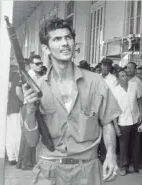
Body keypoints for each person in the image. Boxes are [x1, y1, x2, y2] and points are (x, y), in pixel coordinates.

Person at [22, 18, 121, 185]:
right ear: (46, 48)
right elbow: (31, 141)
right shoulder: (37, 88)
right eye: (57, 39)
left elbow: (107, 123)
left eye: (68, 37)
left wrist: (111, 155)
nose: (65, 43)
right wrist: (30, 109)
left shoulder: (95, 82)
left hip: (87, 171)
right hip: (49, 170)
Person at [112, 68, 142, 176]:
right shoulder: (115, 91)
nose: (125, 78)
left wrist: (140, 113)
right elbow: (114, 110)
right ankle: (124, 166)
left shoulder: (134, 86)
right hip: (123, 122)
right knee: (123, 146)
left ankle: (136, 166)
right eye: (122, 76)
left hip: (135, 119)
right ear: (118, 78)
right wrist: (115, 126)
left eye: (125, 75)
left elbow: (139, 100)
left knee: (136, 144)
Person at [6, 64, 23, 166]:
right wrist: (24, 100)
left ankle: (11, 157)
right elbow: (18, 92)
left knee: (8, 133)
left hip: (6, 108)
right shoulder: (17, 75)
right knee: (17, 133)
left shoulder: (2, 76)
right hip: (15, 107)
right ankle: (18, 157)